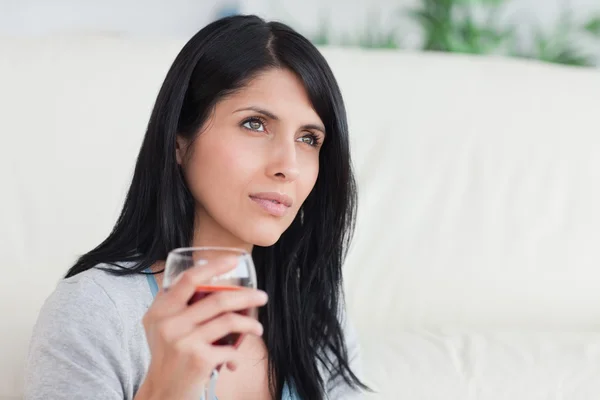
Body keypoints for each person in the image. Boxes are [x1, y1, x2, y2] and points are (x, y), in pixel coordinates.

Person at [24, 14, 368, 400]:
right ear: (179, 142)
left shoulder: (313, 302)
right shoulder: (96, 310)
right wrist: (165, 390)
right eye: (255, 124)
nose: (287, 166)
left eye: (308, 139)